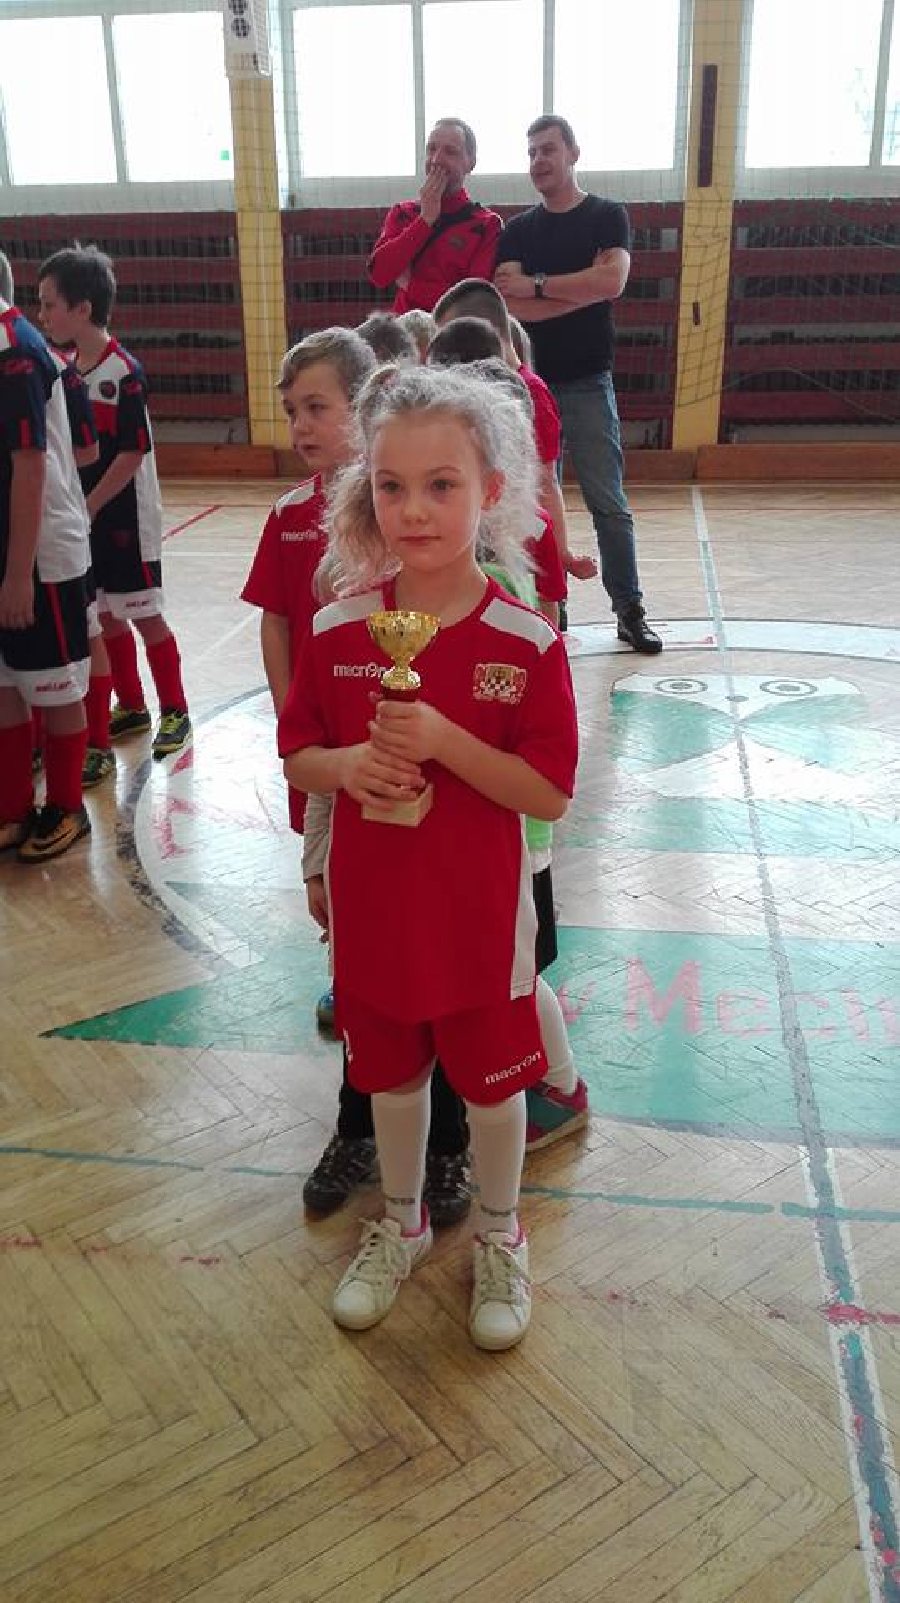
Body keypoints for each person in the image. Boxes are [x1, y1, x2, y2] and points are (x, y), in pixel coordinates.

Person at [279, 364, 578, 1348]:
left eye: (441, 484)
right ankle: (402, 1222)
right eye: (392, 485)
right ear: (367, 490)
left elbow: (548, 793)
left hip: (481, 921)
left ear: (492, 489)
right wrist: (350, 765)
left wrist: (445, 740)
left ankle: (500, 1230)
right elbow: (300, 752)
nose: (414, 509)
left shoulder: (526, 641)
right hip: (376, 914)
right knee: (392, 1079)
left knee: (490, 1087)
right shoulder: (338, 627)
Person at [242, 330, 473, 1228]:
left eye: (318, 406)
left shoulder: (439, 551)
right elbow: (283, 638)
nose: (301, 424)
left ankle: (449, 1143)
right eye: (291, 408)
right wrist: (299, 731)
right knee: (358, 969)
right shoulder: (303, 532)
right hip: (343, 782)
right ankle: (357, 1126)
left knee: (442, 968)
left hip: (436, 795)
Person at [494, 115, 663, 654]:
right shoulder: (517, 231)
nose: (538, 160)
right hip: (529, 387)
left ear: (573, 153)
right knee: (535, 499)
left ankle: (629, 610)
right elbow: (511, 306)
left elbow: (613, 281)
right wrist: (581, 289)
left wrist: (540, 285)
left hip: (589, 379)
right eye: (531, 152)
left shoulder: (608, 216)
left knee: (608, 502)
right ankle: (552, 603)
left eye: (548, 149)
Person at [37, 247, 192, 760]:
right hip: (90, 520)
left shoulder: (124, 372)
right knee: (105, 617)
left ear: (82, 309)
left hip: (127, 519)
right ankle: (132, 704)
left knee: (145, 616)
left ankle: (176, 710)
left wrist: (89, 505)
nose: (42, 316)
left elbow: (131, 454)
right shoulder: (65, 371)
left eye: (49, 305)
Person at [0, 254, 92, 861]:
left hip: (38, 556)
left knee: (55, 687)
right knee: (4, 686)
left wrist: (18, 575)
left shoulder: (15, 348)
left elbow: (30, 467)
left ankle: (66, 806)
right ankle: (13, 807)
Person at [432, 276, 597, 588]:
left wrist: (561, 554)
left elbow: (546, 481)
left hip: (519, 546)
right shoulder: (458, 396)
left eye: (454, 336)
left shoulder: (530, 393)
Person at [367, 120, 502, 314]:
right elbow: (379, 275)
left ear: (470, 163)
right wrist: (425, 220)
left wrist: (412, 286)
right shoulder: (403, 212)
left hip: (455, 330)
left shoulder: (487, 224)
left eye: (450, 152)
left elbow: (472, 302)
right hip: (405, 329)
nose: (436, 159)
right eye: (431, 149)